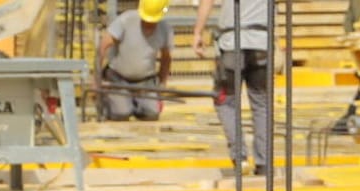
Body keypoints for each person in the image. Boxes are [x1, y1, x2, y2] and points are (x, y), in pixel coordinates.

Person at [192, 0, 273, 174]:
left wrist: (198, 32)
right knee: (262, 104)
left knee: (225, 101)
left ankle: (240, 158)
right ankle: (264, 163)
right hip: (261, 44)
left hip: (232, 43)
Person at [94, 0, 173, 122]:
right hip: (118, 79)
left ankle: (135, 103)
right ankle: (110, 101)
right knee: (121, 114)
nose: (149, 23)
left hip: (145, 82)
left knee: (151, 114)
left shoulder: (165, 29)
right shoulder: (126, 20)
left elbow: (166, 59)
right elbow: (103, 47)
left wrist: (161, 87)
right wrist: (97, 80)